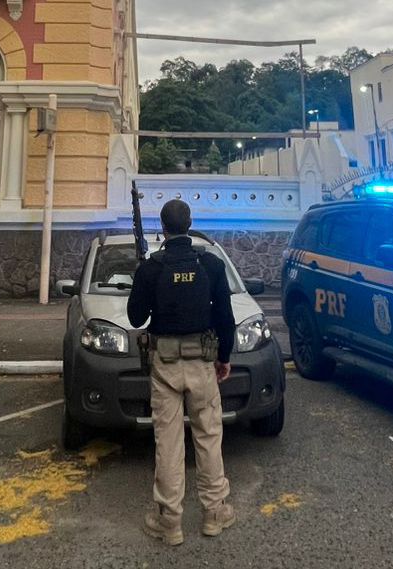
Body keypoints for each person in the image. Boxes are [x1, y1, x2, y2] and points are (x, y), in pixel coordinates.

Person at [127, 199, 236, 546]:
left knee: (169, 443)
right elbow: (225, 319)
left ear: (163, 228)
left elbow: (135, 317)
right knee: (208, 437)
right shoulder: (211, 264)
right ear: (190, 225)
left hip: (165, 367)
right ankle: (214, 513)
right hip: (203, 363)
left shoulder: (153, 267)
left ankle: (169, 521)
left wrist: (140, 275)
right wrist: (224, 356)